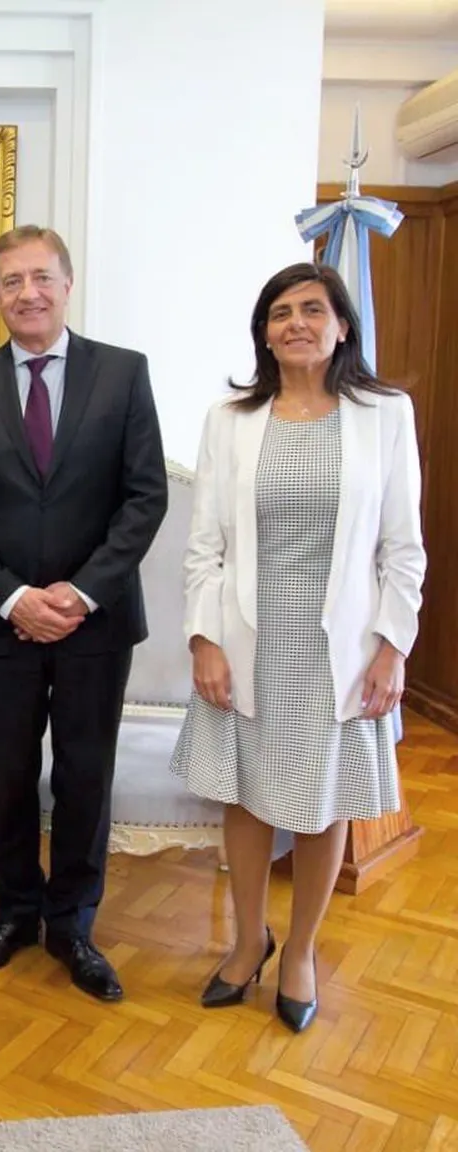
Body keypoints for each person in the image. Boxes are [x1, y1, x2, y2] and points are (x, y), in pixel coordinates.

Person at [170, 262, 426, 1033]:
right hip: (248, 637)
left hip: (340, 646)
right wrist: (203, 639)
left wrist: (391, 646)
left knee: (323, 804)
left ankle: (304, 950)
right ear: (264, 333)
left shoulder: (385, 415)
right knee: (247, 796)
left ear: (343, 325)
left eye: (313, 309)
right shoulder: (232, 419)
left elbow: (402, 548)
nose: (296, 323)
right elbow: (204, 546)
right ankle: (249, 941)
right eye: (279, 313)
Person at [0, 225, 167, 1001]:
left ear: (68, 284)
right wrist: (10, 596)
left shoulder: (123, 374)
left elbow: (144, 497)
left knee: (83, 776)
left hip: (95, 625)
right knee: (6, 775)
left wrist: (80, 591)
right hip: (3, 624)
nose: (26, 292)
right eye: (10, 280)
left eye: (40, 277)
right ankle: (15, 915)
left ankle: (73, 926)